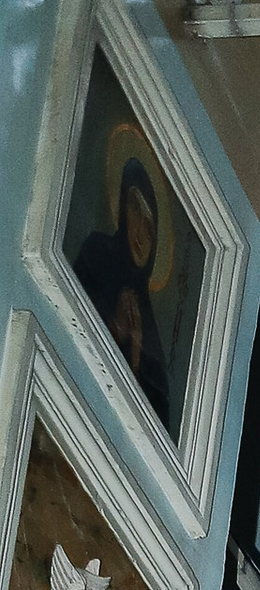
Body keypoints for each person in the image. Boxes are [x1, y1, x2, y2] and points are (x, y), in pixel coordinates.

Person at [74, 156, 174, 427]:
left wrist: (137, 352)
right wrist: (115, 328)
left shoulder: (151, 331)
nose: (141, 231)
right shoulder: (96, 253)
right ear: (122, 207)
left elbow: (153, 428)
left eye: (150, 227)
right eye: (135, 208)